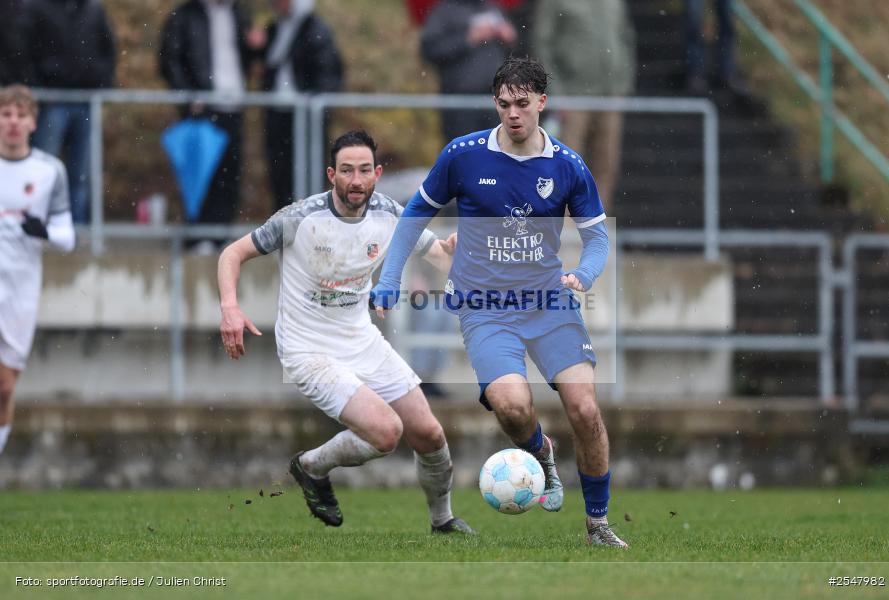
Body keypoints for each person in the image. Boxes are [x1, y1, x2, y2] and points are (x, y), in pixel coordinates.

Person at [371, 57, 627, 547]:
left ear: (542, 103)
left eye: (523, 104)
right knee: (512, 407)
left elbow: (597, 239)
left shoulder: (567, 166)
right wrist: (390, 278)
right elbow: (413, 217)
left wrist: (585, 274)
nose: (513, 114)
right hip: (485, 308)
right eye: (505, 104)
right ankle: (542, 454)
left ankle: (597, 523)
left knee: (585, 409)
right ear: (496, 103)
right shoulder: (464, 155)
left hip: (549, 304)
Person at [217, 130, 473, 534]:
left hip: (362, 341)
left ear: (378, 173)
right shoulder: (300, 219)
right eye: (348, 171)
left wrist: (455, 251)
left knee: (429, 432)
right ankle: (311, 466)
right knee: (387, 432)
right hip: (307, 350)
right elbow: (233, 253)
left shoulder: (390, 213)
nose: (357, 180)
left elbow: (439, 257)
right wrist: (230, 308)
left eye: (365, 170)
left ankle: (442, 521)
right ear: (332, 174)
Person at [0, 85, 76, 456]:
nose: (12, 122)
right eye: (5, 114)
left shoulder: (49, 171)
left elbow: (68, 237)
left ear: (33, 122)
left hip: (21, 287)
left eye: (20, 115)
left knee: (5, 390)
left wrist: (42, 231)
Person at [159, 0, 256, 246]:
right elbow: (169, 58)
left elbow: (249, 55)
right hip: (203, 107)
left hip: (234, 105)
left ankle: (221, 235)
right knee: (201, 174)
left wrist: (257, 47)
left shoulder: (239, 14)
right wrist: (188, 94)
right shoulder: (185, 15)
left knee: (230, 172)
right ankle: (199, 235)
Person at [534, 0, 635, 209]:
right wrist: (556, 92)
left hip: (610, 96)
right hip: (572, 96)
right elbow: (542, 43)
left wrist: (622, 86)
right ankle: (568, 234)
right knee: (567, 168)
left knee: (606, 165)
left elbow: (626, 38)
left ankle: (597, 227)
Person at [23, 0, 116, 225]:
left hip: (86, 102)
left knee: (82, 173)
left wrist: (99, 83)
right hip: (52, 102)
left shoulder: (94, 10)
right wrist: (43, 87)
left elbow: (108, 51)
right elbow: (26, 52)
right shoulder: (41, 9)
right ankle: (39, 225)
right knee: (44, 169)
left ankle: (78, 229)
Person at [261, 0, 343, 210]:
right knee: (280, 172)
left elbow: (329, 71)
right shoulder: (274, 28)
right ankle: (283, 225)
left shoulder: (314, 29)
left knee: (309, 171)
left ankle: (310, 224)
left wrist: (314, 99)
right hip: (278, 111)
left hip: (307, 115)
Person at [420, 0, 518, 142]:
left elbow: (517, 49)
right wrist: (467, 39)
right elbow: (429, 50)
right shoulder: (443, 11)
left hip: (497, 100)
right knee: (462, 154)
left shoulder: (494, 8)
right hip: (460, 102)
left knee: (499, 153)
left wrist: (509, 37)